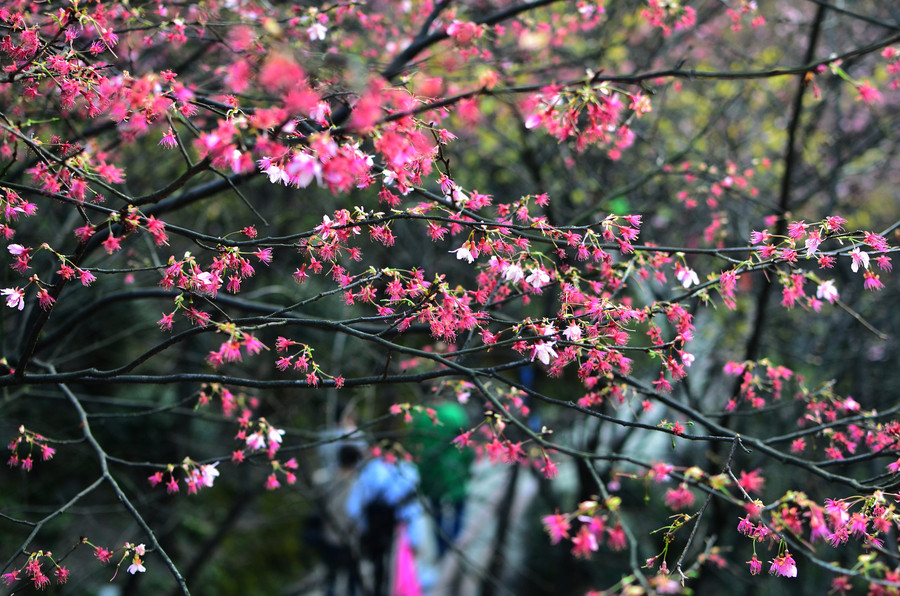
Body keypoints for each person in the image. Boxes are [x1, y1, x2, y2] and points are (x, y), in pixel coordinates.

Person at [345, 450, 422, 596]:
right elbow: (413, 508)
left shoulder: (371, 471)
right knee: (397, 568)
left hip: (377, 527)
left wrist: (362, 526)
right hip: (399, 528)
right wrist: (415, 537)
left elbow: (354, 507)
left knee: (381, 566)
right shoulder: (408, 470)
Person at [409, 402, 474, 557]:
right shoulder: (456, 413)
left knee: (436, 516)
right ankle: (454, 547)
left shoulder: (421, 416)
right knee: (459, 510)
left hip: (431, 476)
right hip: (455, 474)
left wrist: (422, 475)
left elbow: (414, 448)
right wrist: (466, 468)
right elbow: (467, 446)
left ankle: (442, 550)